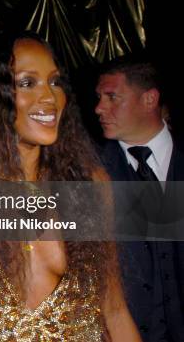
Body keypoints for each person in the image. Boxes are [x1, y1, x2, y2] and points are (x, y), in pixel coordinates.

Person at [0, 18, 141, 341]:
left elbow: (114, 309)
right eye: (28, 83)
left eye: (55, 82)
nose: (50, 98)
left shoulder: (88, 186)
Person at [95, 59, 184, 341]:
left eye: (111, 97)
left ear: (150, 99)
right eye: (98, 98)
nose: (99, 108)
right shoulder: (90, 172)